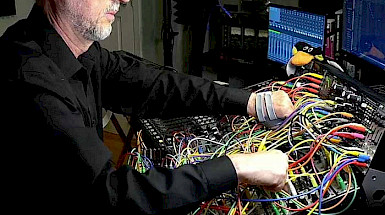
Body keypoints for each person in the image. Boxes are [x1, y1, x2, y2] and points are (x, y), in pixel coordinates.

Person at [0, 0, 294, 214]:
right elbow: (109, 197)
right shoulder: (28, 79)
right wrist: (237, 167)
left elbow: (154, 84)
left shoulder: (79, 51)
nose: (125, 0)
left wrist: (253, 102)